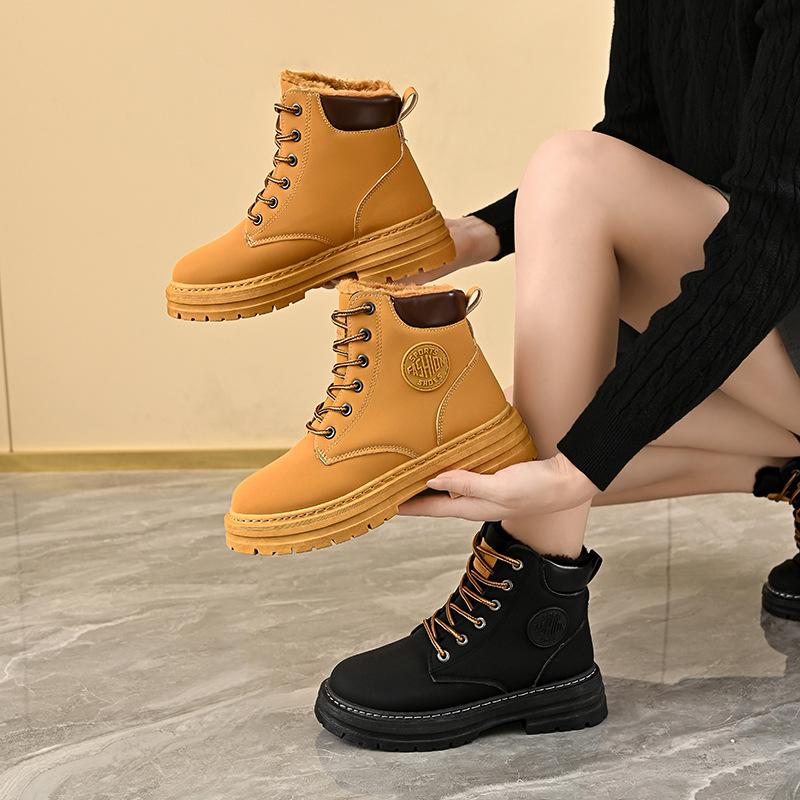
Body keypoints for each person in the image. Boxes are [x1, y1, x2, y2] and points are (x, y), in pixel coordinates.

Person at [312, 0, 800, 750]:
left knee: (573, 171)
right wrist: (474, 235)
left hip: (774, 276)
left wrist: (576, 470)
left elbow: (769, 235)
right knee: (494, 443)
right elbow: (640, 147)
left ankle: (531, 614)